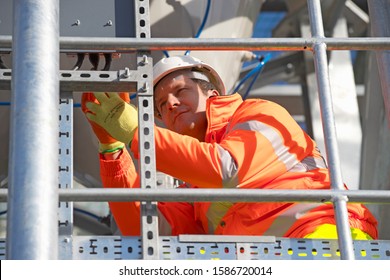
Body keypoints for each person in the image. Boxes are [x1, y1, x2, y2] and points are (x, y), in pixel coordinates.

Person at [82, 55, 378, 239]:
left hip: (324, 238)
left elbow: (227, 169)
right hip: (267, 260)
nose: (170, 104)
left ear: (211, 93)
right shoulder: (196, 192)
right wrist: (112, 151)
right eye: (160, 105)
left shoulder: (258, 114)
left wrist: (137, 131)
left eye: (180, 91)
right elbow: (150, 230)